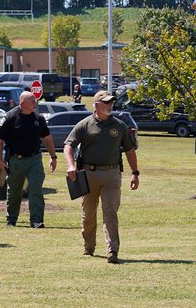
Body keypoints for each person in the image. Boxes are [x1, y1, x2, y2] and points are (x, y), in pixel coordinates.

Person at [63, 90, 140, 264]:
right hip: (89, 174)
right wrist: (70, 165)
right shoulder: (85, 124)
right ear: (96, 105)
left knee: (110, 212)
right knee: (88, 214)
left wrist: (135, 173)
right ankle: (88, 246)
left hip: (112, 174)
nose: (110, 105)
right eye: (106, 102)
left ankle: (112, 250)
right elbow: (68, 145)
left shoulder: (119, 125)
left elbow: (129, 149)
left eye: (111, 102)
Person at [0, 91, 57, 228]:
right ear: (22, 103)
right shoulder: (10, 118)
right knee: (14, 191)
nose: (35, 104)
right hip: (16, 160)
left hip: (34, 159)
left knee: (35, 188)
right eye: (32, 101)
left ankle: (36, 220)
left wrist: (53, 157)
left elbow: (47, 138)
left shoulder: (38, 119)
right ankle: (11, 218)